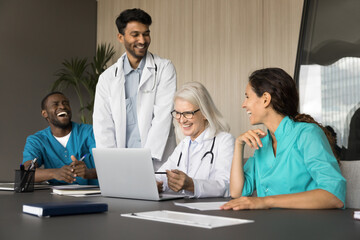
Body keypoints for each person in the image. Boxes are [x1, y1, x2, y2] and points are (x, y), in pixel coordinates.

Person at [221, 68, 346, 210]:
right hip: (271, 225)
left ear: (266, 99)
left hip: (309, 225)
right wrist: (239, 145)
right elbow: (237, 192)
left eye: (247, 97)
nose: (244, 104)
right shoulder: (263, 142)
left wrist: (266, 201)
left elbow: (334, 196)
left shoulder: (307, 134)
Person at [93, 8, 176, 169]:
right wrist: (110, 163)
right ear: (120, 37)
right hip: (121, 163)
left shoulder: (164, 68)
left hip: (156, 161)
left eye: (146, 33)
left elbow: (163, 117)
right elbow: (103, 125)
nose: (143, 40)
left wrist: (145, 161)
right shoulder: (107, 78)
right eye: (135, 34)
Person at [156, 82, 235, 198]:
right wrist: (155, 183)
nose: (181, 120)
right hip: (183, 209)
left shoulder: (224, 141)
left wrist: (192, 185)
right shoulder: (184, 144)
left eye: (188, 113)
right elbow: (162, 174)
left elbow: (228, 186)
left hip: (210, 212)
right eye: (178, 113)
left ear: (204, 113)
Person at [22, 92, 98, 185]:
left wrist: (89, 173)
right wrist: (54, 173)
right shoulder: (37, 140)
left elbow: (110, 166)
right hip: (55, 197)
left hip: (93, 195)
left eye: (66, 103)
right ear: (44, 113)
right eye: (56, 104)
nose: (62, 106)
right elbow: (26, 173)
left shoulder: (90, 132)